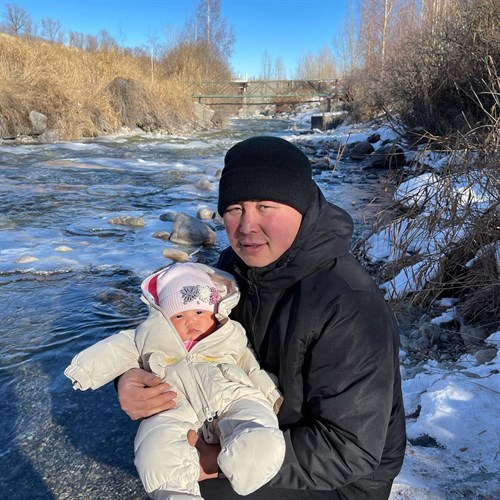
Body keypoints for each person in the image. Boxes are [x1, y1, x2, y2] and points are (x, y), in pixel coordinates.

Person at [117, 136, 407, 499]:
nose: (247, 227)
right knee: (160, 450)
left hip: (339, 480)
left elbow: (349, 449)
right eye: (234, 208)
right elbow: (173, 333)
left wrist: (217, 459)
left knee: (199, 485)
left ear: (301, 206)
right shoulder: (230, 271)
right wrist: (131, 377)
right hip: (252, 419)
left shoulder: (349, 304)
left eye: (265, 206)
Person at [65, 262, 285, 500]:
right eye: (179, 315)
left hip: (230, 393)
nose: (191, 321)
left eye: (199, 312)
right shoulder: (149, 336)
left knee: (252, 416)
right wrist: (87, 369)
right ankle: (174, 492)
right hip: (173, 403)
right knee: (156, 443)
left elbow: (249, 363)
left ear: (215, 311)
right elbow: (117, 349)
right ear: (165, 318)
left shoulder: (230, 334)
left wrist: (268, 392)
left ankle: (252, 458)